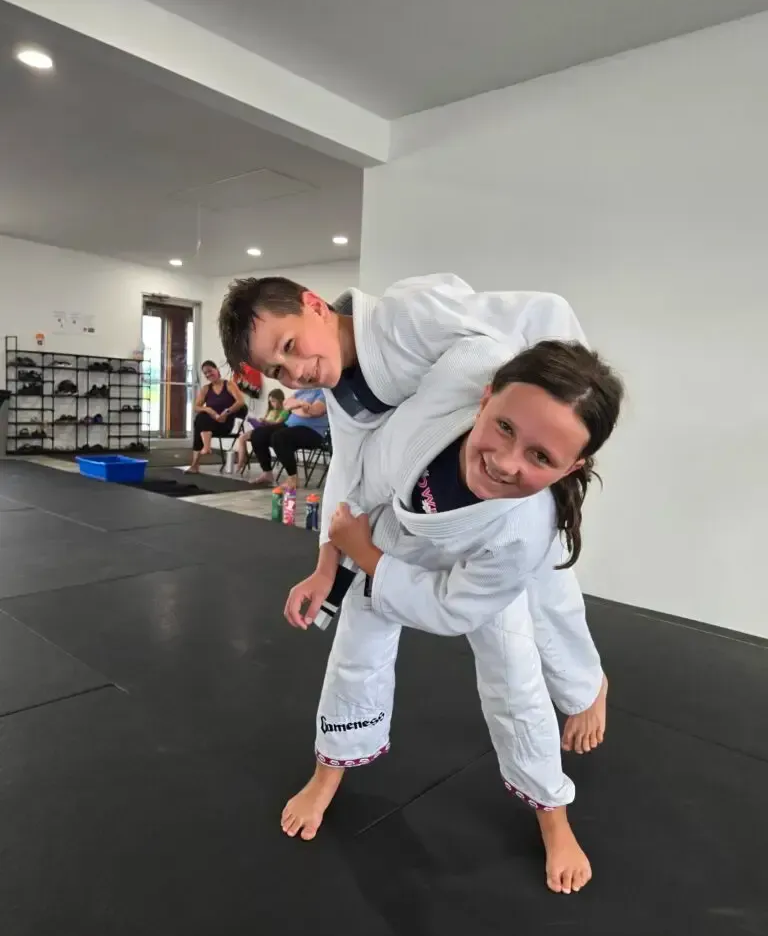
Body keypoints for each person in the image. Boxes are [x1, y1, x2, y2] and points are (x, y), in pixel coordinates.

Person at [281, 337, 625, 894]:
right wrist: (330, 560)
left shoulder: (524, 530)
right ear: (485, 395)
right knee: (354, 656)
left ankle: (554, 816)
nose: (505, 461)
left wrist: (360, 552)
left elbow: (447, 608)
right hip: (391, 534)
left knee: (517, 680)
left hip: (474, 574)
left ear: (572, 467)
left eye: (542, 457)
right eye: (505, 427)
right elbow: (360, 472)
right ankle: (327, 774)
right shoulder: (461, 373)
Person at [219, 274, 605, 751]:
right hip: (414, 503)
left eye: (290, 345)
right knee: (360, 625)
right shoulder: (342, 394)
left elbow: (540, 311)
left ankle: (583, 688)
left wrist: (567, 430)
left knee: (533, 609)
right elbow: (350, 467)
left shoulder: (408, 313)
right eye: (277, 370)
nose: (295, 372)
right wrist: (327, 563)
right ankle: (338, 757)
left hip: (495, 493)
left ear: (314, 304)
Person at [248, 388, 328, 490]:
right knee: (258, 434)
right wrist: (301, 405)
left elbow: (315, 411)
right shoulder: (302, 391)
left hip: (312, 432)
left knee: (279, 437)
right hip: (289, 426)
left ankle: (293, 479)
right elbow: (285, 404)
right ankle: (267, 473)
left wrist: (294, 406)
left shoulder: (324, 392)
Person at [188, 360, 246, 473]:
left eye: (210, 371)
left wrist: (226, 413)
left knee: (200, 423)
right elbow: (196, 407)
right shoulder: (206, 389)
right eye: (206, 373)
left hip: (225, 424)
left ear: (217, 370)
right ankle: (206, 447)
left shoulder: (228, 384)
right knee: (201, 418)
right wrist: (208, 409)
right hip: (210, 424)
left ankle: (196, 463)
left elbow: (240, 402)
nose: (208, 374)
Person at [232, 388, 288, 471]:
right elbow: (265, 421)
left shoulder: (285, 411)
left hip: (273, 432)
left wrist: (265, 421)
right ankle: (241, 461)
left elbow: (278, 424)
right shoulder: (270, 411)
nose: (272, 404)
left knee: (253, 436)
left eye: (274, 401)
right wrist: (260, 421)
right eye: (270, 401)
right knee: (241, 437)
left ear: (281, 400)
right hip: (262, 430)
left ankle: (242, 462)